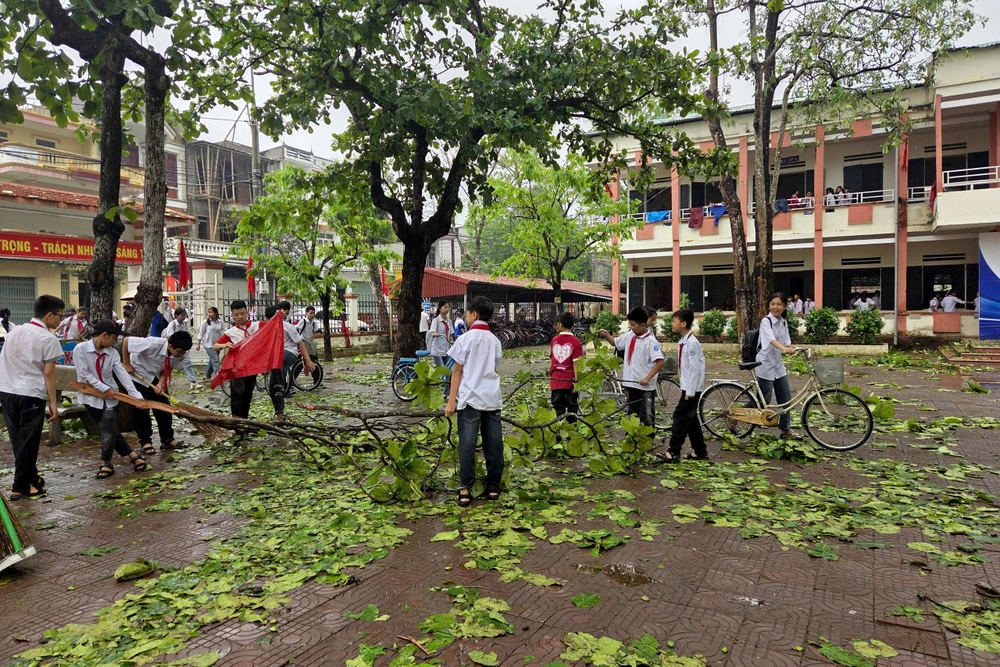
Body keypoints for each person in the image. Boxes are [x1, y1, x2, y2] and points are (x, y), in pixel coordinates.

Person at [0, 295, 64, 500]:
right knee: (28, 441)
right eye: (59, 316)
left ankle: (31, 478)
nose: (61, 321)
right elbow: (49, 373)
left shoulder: (15, 331)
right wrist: (53, 402)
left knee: (18, 439)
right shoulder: (48, 339)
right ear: (49, 315)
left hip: (7, 390)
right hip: (30, 394)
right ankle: (20, 486)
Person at [445, 296, 504, 507]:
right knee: (494, 445)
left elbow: (457, 370)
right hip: (491, 399)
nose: (465, 317)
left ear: (474, 315)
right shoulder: (495, 341)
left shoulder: (465, 339)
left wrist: (451, 401)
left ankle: (465, 488)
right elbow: (494, 367)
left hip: (469, 400)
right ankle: (493, 486)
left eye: (467, 313)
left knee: (467, 446)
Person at [73, 320, 148, 479]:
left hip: (110, 398)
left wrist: (136, 396)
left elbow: (122, 373)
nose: (115, 341)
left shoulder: (112, 353)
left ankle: (106, 463)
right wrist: (103, 388)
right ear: (104, 335)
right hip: (90, 397)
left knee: (107, 429)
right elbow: (84, 374)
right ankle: (133, 456)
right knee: (109, 430)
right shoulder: (81, 350)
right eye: (114, 338)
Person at [122, 330, 192, 455]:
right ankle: (145, 441)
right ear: (170, 346)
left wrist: (161, 383)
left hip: (154, 375)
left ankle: (167, 439)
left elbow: (167, 368)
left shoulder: (180, 354)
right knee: (141, 407)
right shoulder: (152, 344)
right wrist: (126, 363)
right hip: (137, 374)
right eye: (180, 352)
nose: (182, 355)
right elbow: (127, 341)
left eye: (184, 352)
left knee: (164, 407)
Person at [599, 306, 664, 429]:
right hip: (630, 383)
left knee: (647, 414)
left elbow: (660, 362)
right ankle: (632, 438)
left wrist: (647, 378)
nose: (631, 328)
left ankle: (648, 439)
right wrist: (607, 335)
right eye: (630, 325)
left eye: (633, 325)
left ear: (643, 325)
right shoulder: (629, 335)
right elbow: (616, 343)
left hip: (645, 386)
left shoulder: (651, 341)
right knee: (632, 414)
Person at [659, 308, 707, 463]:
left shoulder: (692, 343)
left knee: (679, 417)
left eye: (674, 321)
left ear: (684, 323)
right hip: (687, 387)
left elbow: (694, 369)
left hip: (691, 389)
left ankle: (674, 451)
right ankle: (700, 451)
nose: (672, 324)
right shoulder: (684, 341)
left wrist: (690, 391)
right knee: (691, 420)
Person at [757, 292, 797, 440]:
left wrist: (792, 348)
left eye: (779, 304)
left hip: (778, 365)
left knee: (785, 398)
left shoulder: (783, 322)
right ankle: (736, 416)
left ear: (785, 306)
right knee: (763, 400)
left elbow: (786, 341)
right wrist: (784, 349)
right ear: (769, 305)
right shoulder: (766, 321)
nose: (775, 307)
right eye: (773, 304)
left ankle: (785, 430)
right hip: (765, 363)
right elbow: (772, 340)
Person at [214, 300, 259, 419]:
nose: (240, 317)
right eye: (237, 314)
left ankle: (244, 420)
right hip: (236, 369)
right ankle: (236, 422)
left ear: (247, 312)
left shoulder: (257, 326)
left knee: (248, 395)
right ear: (232, 315)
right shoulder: (231, 332)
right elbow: (215, 345)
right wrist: (224, 345)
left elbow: (272, 326)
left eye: (242, 313)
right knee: (237, 394)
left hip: (252, 368)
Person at [274, 301, 316, 421]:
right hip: (278, 354)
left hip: (292, 350)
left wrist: (308, 360)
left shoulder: (288, 326)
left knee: (283, 370)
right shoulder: (269, 326)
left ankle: (286, 386)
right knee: (275, 382)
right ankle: (279, 410)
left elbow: (300, 341)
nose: (284, 312)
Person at [549, 311, 585, 420]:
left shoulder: (554, 340)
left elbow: (552, 360)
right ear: (573, 325)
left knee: (558, 408)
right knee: (572, 408)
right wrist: (577, 381)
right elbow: (576, 363)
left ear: (559, 325)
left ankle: (559, 432)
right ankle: (571, 433)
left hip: (555, 380)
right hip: (570, 381)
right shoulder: (576, 342)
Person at [163, 307, 199, 385]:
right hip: (173, 348)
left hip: (181, 348)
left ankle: (193, 380)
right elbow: (170, 336)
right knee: (169, 364)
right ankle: (165, 380)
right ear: (176, 315)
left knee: (187, 362)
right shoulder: (172, 324)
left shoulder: (183, 324)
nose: (183, 317)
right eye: (182, 315)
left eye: (184, 315)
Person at [429, 301, 454, 398]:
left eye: (448, 308)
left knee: (449, 371)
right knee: (441, 371)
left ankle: (446, 393)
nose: (447, 309)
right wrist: (435, 334)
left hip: (446, 349)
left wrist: (454, 341)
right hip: (437, 350)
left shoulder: (449, 321)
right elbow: (432, 331)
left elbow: (451, 334)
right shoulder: (436, 320)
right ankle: (433, 387)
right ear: (440, 308)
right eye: (445, 307)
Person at [199, 307, 224, 380]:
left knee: (212, 360)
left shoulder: (220, 322)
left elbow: (224, 330)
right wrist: (198, 343)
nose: (209, 314)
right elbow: (201, 333)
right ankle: (219, 376)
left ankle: (207, 375)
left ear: (216, 313)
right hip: (208, 344)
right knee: (215, 359)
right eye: (208, 312)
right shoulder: (205, 322)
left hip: (217, 344)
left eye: (211, 312)